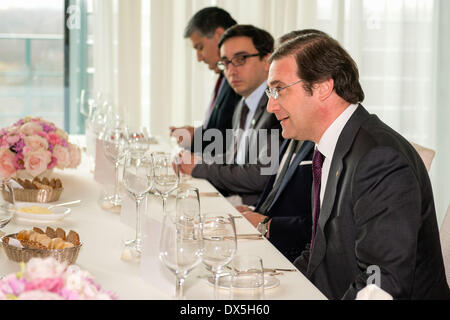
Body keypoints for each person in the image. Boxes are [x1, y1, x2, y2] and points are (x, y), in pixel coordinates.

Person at [266, 33, 450, 299]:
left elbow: (381, 284)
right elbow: (321, 252)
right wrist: (276, 288)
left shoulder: (380, 159)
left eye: (278, 89)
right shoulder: (333, 146)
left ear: (322, 87)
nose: (271, 105)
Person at [236, 29, 328, 262]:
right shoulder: (295, 130)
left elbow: (323, 231)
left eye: (280, 88)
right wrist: (254, 213)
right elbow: (274, 189)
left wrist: (266, 225)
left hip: (286, 252)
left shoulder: (333, 142)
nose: (271, 105)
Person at [178, 24, 283, 206]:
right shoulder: (243, 103)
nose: (231, 71)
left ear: (267, 61)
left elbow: (261, 175)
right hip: (236, 201)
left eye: (241, 59)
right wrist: (197, 160)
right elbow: (235, 159)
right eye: (225, 62)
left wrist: (200, 168)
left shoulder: (277, 107)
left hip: (256, 211)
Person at [170, 7, 241, 154]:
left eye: (200, 47)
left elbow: (237, 144)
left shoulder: (240, 82)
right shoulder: (224, 78)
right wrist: (196, 133)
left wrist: (196, 137)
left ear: (220, 36)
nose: (199, 57)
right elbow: (222, 129)